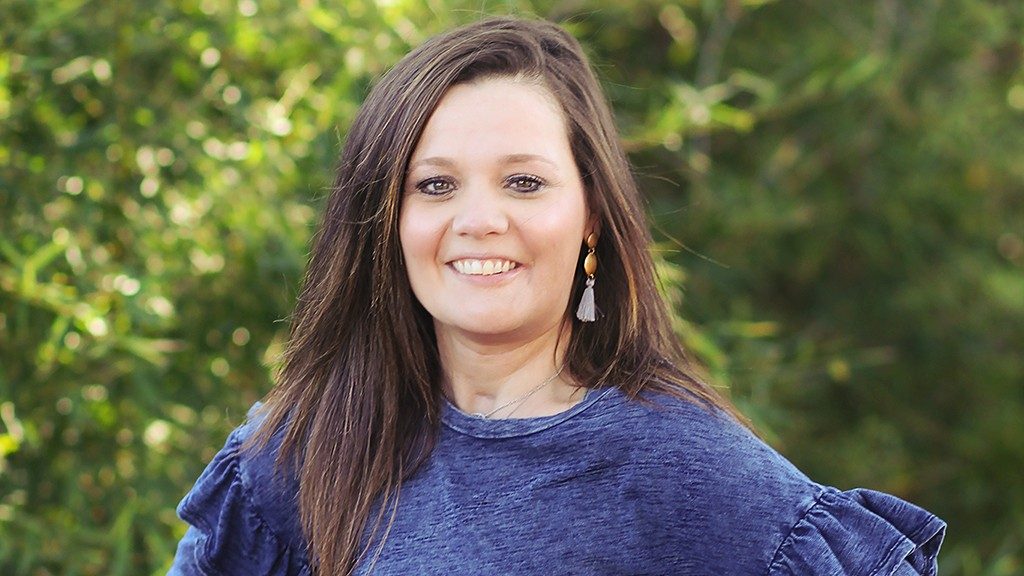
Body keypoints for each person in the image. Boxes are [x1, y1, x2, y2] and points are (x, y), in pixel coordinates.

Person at [169, 16, 945, 576]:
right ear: (386, 221)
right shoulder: (301, 455)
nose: (479, 220)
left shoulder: (687, 472)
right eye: (435, 185)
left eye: (525, 182)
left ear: (592, 221)